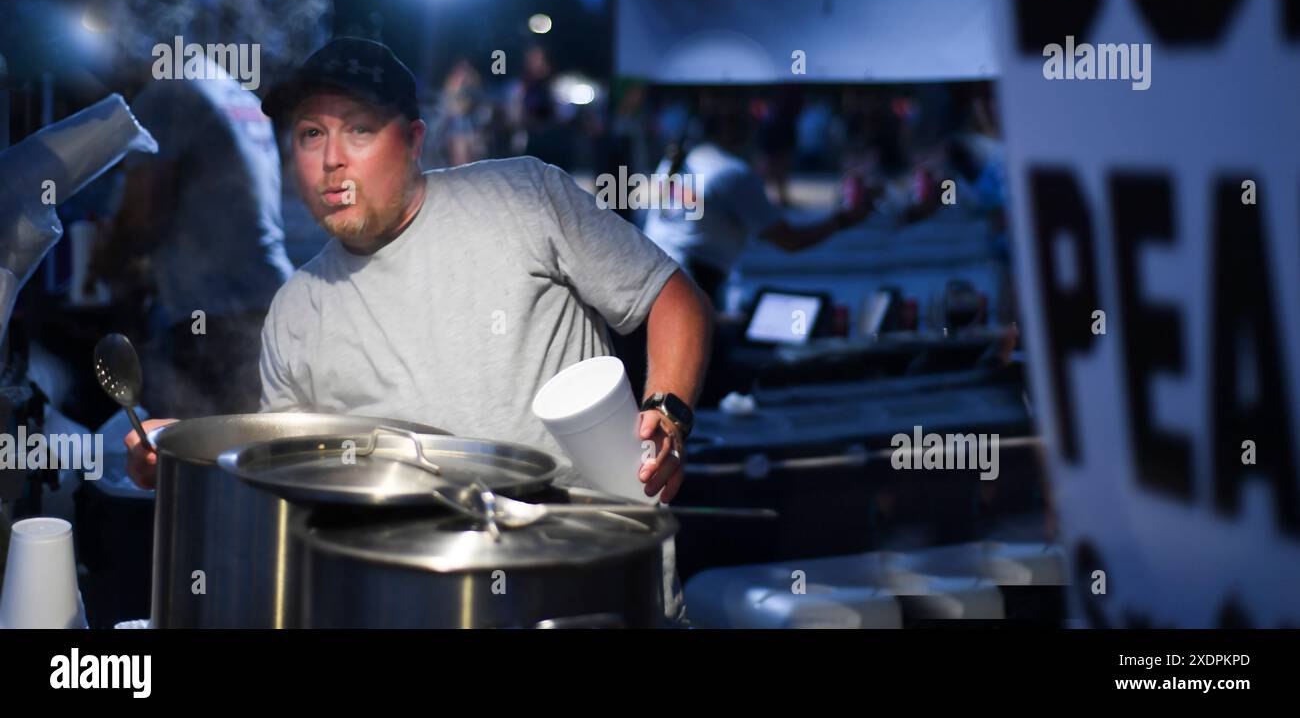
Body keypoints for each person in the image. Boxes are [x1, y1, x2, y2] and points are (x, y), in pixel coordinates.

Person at [125, 37, 714, 625]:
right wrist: (190, 458)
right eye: (311, 134)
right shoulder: (296, 309)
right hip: (429, 603)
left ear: (412, 142)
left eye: (358, 130)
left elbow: (671, 297)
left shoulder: (522, 197)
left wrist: (667, 411)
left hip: (596, 590)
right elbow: (296, 478)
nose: (332, 160)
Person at [89, 55, 294, 418]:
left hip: (214, 318)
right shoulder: (237, 94)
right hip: (270, 304)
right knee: (250, 454)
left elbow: (142, 218)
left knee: (197, 457)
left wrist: (103, 261)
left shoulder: (168, 93)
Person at [643, 93, 873, 309]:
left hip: (655, 275)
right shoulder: (732, 173)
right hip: (690, 283)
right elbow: (789, 240)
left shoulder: (678, 160)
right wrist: (841, 221)